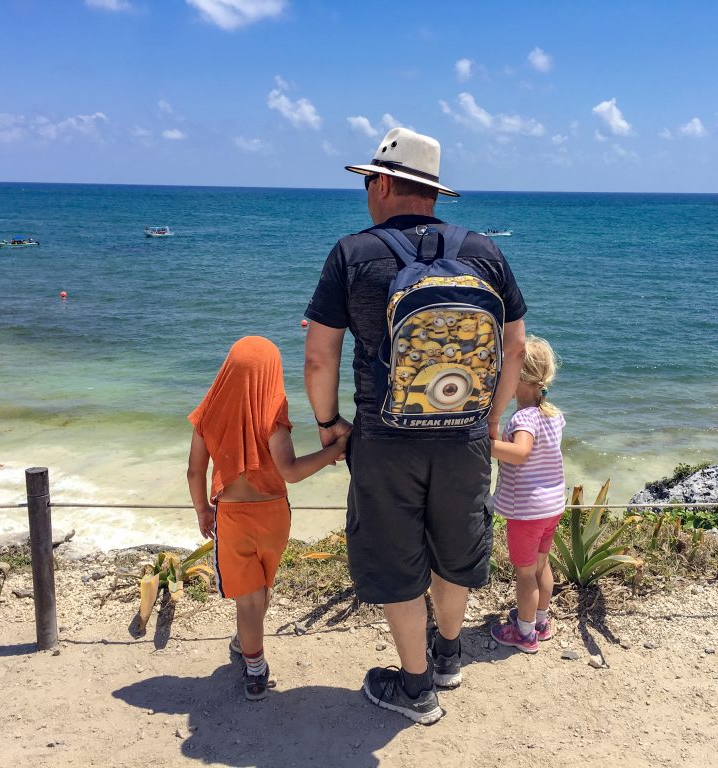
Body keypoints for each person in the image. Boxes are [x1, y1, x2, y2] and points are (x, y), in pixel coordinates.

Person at [304, 127, 527, 724]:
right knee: (455, 548)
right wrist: (490, 416)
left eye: (366, 183)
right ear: (432, 191)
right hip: (467, 435)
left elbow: (319, 356)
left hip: (384, 436)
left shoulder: (352, 254)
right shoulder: (484, 252)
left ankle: (415, 686)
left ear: (380, 184)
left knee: (396, 557)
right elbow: (515, 345)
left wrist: (329, 424)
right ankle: (448, 657)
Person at [186, 336, 348, 701]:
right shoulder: (271, 412)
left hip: (233, 518)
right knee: (262, 587)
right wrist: (335, 450)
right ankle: (248, 641)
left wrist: (202, 509)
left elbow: (195, 472)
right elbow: (290, 470)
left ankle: (255, 669)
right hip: (274, 515)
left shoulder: (208, 413)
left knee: (248, 596)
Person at [488, 335, 566, 653]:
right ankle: (541, 622)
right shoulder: (553, 414)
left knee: (524, 575)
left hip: (527, 511)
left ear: (519, 376)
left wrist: (484, 445)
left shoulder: (524, 418)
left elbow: (520, 453)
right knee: (540, 566)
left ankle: (524, 633)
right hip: (551, 506)